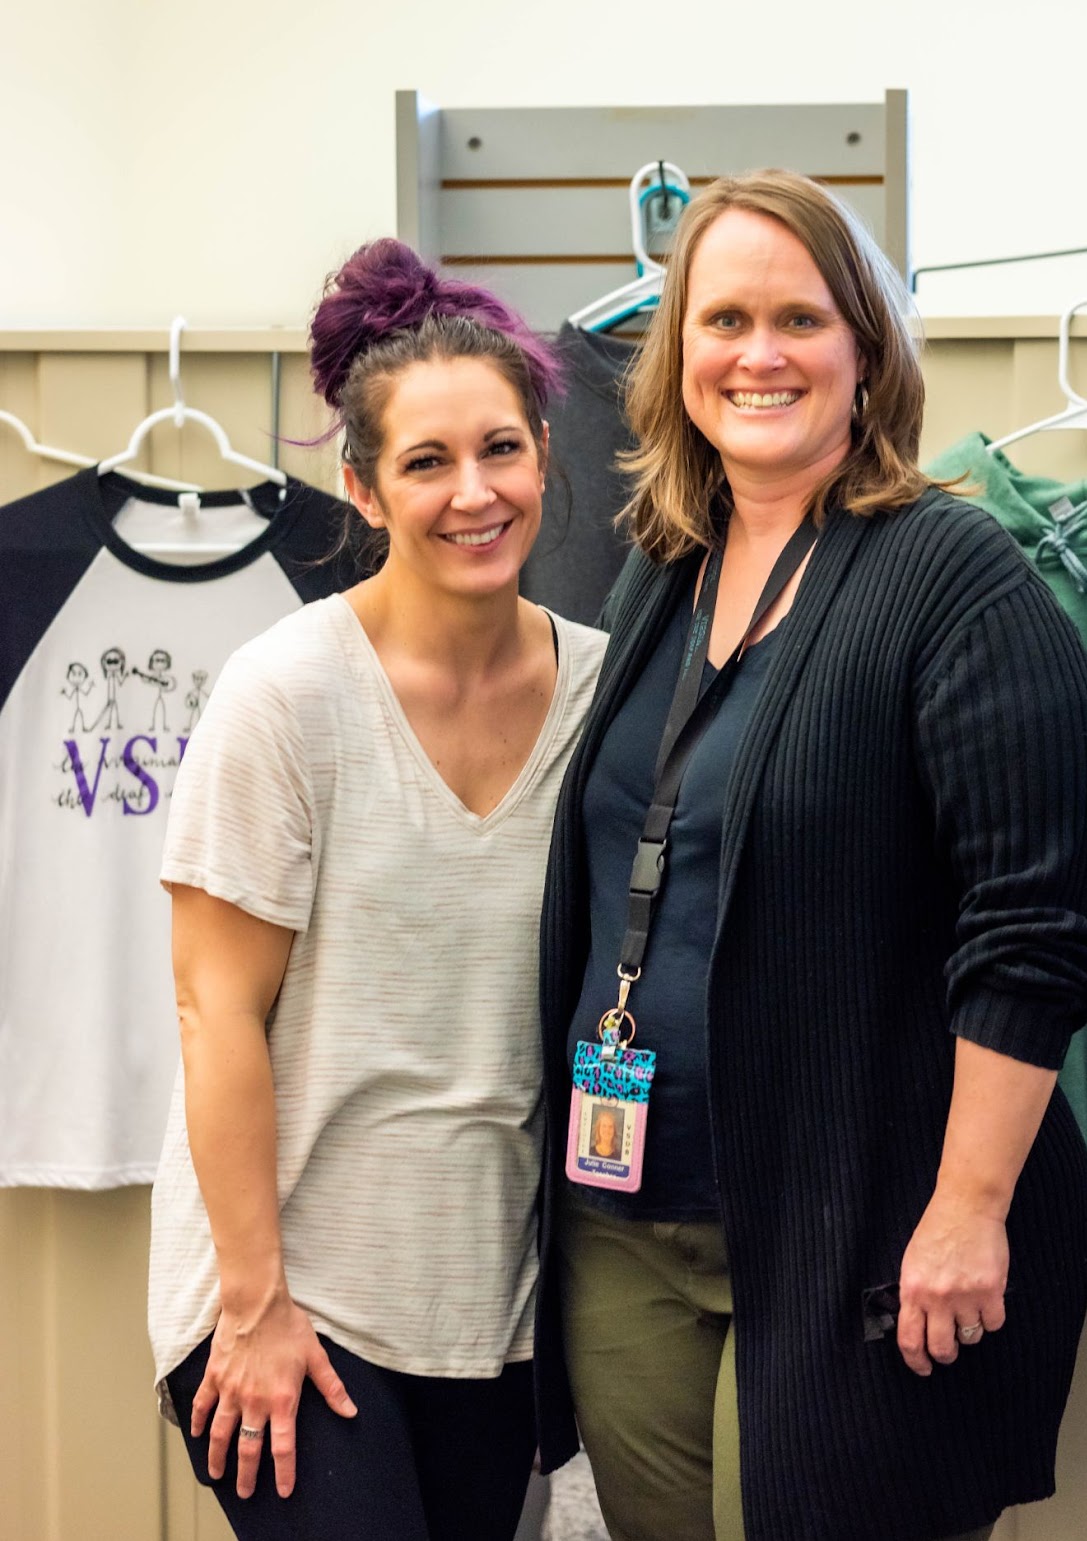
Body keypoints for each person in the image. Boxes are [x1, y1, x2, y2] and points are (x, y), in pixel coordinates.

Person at [535, 171, 1087, 1541]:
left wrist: (970, 1208)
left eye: (801, 315)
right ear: (677, 357)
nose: (760, 352)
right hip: (629, 1220)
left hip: (854, 1228)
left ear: (868, 350)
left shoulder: (957, 578)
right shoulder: (666, 565)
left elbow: (1030, 932)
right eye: (724, 317)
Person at [147, 238, 607, 1541]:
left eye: (501, 449)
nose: (475, 491)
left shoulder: (602, 690)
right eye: (427, 461)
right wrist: (251, 1306)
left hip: (493, 1309)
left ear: (542, 454)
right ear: (361, 482)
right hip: (292, 1300)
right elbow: (213, 1013)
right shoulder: (285, 695)